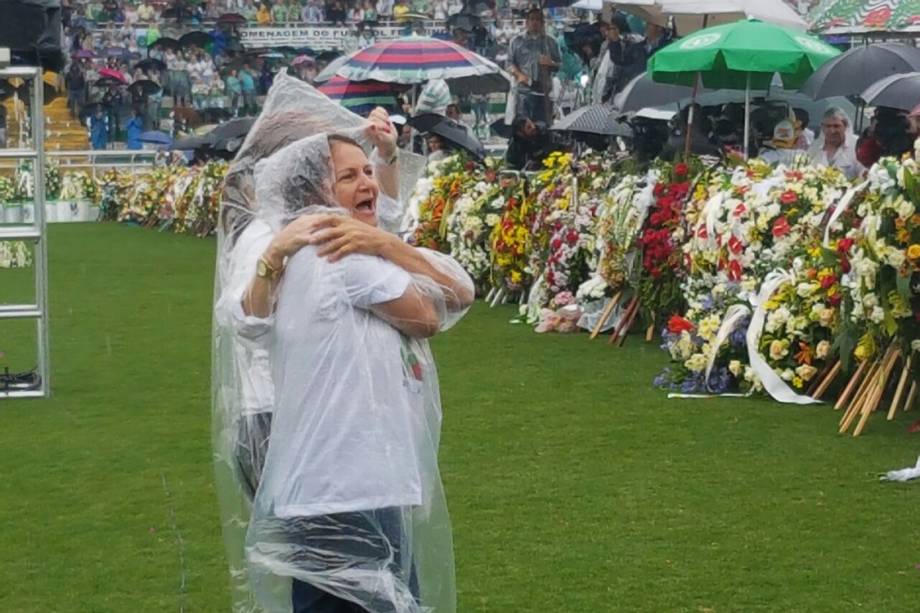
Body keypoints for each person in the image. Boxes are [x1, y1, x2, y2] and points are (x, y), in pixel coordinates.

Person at [212, 72, 426, 611]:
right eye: (334, 167)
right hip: (288, 422)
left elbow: (382, 230)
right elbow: (244, 317)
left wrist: (386, 158)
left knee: (363, 574)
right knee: (340, 577)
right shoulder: (273, 234)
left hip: (329, 426)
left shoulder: (305, 227)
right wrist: (273, 260)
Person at [507, 8, 561, 124]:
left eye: (538, 19)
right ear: (527, 22)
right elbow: (510, 63)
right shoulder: (517, 41)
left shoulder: (551, 42)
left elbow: (559, 65)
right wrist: (519, 75)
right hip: (523, 92)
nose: (535, 22)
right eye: (532, 19)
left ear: (543, 23)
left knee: (543, 128)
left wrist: (550, 63)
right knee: (523, 127)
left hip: (544, 92)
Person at [808, 107, 863, 180]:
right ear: (822, 127)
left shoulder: (857, 145)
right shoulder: (815, 145)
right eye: (828, 126)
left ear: (845, 126)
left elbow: (863, 174)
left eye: (836, 126)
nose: (832, 131)